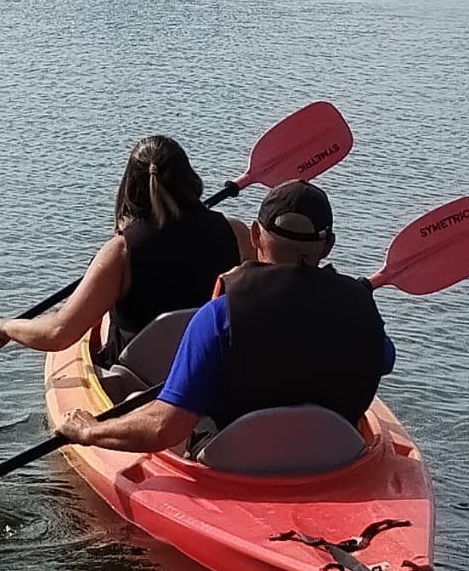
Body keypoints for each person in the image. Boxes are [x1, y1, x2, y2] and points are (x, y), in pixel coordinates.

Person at [54, 180, 392, 454]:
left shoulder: (219, 316)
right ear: (328, 245)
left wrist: (89, 430)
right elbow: (382, 359)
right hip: (333, 458)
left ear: (256, 235)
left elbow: (162, 429)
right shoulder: (363, 311)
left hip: (233, 463)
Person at [0, 135, 253, 365]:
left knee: (106, 317)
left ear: (130, 188)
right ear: (190, 179)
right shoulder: (237, 232)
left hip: (140, 378)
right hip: (208, 368)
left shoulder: (120, 252)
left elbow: (58, 334)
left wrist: (6, 326)